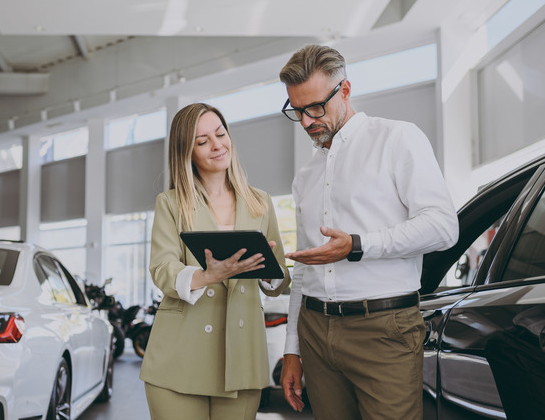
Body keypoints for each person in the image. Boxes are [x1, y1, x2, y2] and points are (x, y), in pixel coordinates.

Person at [277, 45, 459, 420]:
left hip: (383, 328)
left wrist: (358, 246)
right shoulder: (306, 176)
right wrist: (292, 349)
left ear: (344, 90)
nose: (308, 121)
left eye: (315, 107)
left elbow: (443, 227)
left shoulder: (397, 139)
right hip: (314, 328)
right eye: (297, 110)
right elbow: (305, 269)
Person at [139, 102, 290, 420]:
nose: (217, 145)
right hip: (178, 356)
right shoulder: (171, 202)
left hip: (242, 354)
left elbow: (278, 280)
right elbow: (162, 268)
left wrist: (266, 272)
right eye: (202, 140)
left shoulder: (260, 201)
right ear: (187, 151)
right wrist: (208, 275)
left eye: (220, 134)